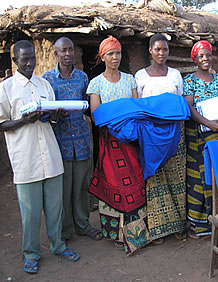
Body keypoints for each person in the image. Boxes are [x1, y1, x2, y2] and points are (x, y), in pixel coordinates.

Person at [0, 40, 79, 274]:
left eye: (32, 58)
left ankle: (58, 245)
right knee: (31, 212)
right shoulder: (6, 88)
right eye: (24, 59)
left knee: (55, 209)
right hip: (26, 158)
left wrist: (56, 115)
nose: (29, 63)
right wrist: (24, 120)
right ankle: (31, 253)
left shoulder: (44, 84)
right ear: (14, 61)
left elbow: (51, 120)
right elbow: (2, 123)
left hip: (51, 156)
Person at [87, 36, 148, 255]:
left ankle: (136, 233)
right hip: (110, 142)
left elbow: (135, 108)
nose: (115, 57)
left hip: (130, 140)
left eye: (118, 53)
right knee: (113, 182)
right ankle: (115, 233)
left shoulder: (130, 80)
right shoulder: (96, 83)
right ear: (102, 56)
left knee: (134, 181)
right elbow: (96, 116)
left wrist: (120, 116)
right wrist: (118, 117)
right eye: (110, 53)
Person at [42, 37, 102, 242]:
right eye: (63, 50)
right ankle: (66, 229)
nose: (68, 54)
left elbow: (88, 105)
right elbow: (43, 111)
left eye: (71, 50)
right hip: (60, 141)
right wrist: (53, 116)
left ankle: (83, 224)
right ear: (56, 53)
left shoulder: (83, 78)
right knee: (64, 188)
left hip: (82, 141)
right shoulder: (47, 79)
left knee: (82, 186)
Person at [135, 33, 187, 244]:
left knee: (177, 177)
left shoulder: (175, 75)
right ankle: (158, 228)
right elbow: (138, 105)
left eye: (165, 49)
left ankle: (178, 225)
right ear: (150, 50)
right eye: (157, 49)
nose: (162, 53)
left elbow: (181, 103)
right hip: (150, 135)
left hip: (175, 133)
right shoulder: (140, 76)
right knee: (155, 178)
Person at [183, 40, 218, 238]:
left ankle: (215, 220)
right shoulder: (189, 81)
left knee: (215, 177)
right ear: (195, 59)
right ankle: (197, 224)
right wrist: (207, 123)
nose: (205, 59)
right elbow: (189, 108)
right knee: (198, 179)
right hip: (197, 135)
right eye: (201, 56)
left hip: (217, 135)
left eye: (208, 55)